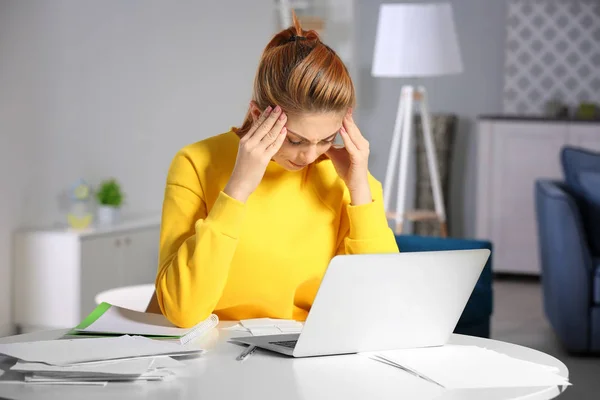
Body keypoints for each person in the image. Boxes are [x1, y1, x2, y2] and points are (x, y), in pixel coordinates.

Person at [152, 13, 399, 328]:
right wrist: (238, 189)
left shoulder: (346, 180)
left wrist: (360, 191)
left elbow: (381, 307)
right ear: (258, 114)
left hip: (307, 352)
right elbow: (183, 310)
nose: (309, 156)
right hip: (216, 352)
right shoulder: (196, 163)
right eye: (295, 140)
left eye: (326, 139)